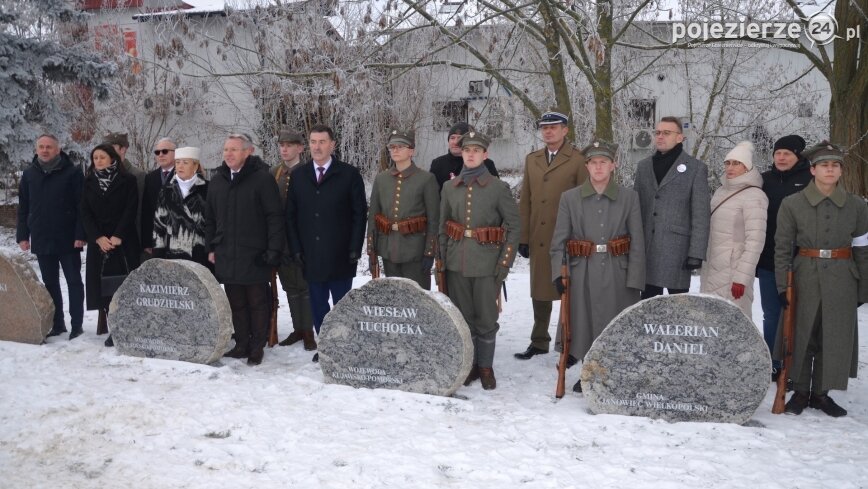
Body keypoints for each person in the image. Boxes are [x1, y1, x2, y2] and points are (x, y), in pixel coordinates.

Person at [776, 141, 868, 418]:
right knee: (802, 332)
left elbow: (862, 249)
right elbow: (782, 248)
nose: (830, 170)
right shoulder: (792, 203)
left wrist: (863, 287)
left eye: (835, 165)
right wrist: (782, 286)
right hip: (804, 274)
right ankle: (800, 391)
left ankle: (821, 394)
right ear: (813, 170)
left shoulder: (857, 206)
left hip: (843, 277)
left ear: (841, 171)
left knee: (834, 335)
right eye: (824, 165)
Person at [549, 140, 645, 393]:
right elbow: (559, 241)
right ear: (587, 166)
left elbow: (637, 241)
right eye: (593, 162)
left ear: (613, 165)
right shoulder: (570, 198)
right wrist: (557, 273)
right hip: (581, 270)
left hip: (617, 271)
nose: (599, 167)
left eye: (604, 162)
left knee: (614, 322)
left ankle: (613, 372)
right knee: (583, 322)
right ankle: (588, 372)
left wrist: (636, 278)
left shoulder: (629, 197)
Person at [438, 131, 520, 390]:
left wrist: (504, 263)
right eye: (466, 150)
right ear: (461, 153)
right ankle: (470, 365)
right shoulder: (449, 187)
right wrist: (442, 261)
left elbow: (514, 227)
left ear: (485, 154)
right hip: (457, 262)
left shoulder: (498, 188)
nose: (471, 154)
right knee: (463, 317)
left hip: (487, 264)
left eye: (476, 150)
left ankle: (485, 366)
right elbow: (443, 227)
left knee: (485, 319)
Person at [285, 125, 367, 362]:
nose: (317, 147)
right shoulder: (299, 176)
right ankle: (327, 348)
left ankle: (343, 347)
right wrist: (296, 249)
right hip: (311, 254)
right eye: (313, 142)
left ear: (332, 145)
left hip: (341, 254)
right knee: (318, 305)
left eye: (322, 142)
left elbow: (359, 214)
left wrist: (355, 247)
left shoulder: (349, 174)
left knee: (342, 305)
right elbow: (291, 215)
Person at [204, 134, 284, 366]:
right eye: (226, 149)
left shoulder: (262, 179)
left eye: (234, 149)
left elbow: (274, 217)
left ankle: (257, 346)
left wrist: (273, 250)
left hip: (255, 254)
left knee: (257, 302)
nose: (228, 154)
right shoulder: (217, 180)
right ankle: (241, 343)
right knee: (235, 302)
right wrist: (211, 247)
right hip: (227, 253)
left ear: (248, 152)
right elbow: (210, 219)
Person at [514, 110, 588, 361]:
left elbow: (584, 202)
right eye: (544, 127)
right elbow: (526, 200)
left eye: (553, 127)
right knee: (540, 290)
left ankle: (571, 342)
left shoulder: (578, 159)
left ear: (565, 130)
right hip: (539, 234)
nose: (548, 131)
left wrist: (581, 237)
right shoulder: (532, 159)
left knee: (569, 291)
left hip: (567, 237)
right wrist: (523, 236)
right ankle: (539, 340)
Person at [16, 134, 86, 340]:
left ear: (58, 149)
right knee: (50, 283)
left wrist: (80, 234)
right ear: (36, 149)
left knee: (74, 281)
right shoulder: (29, 174)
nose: (45, 150)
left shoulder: (72, 173)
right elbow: (24, 207)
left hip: (68, 237)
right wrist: (23, 235)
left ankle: (77, 325)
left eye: (49, 147)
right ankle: (58, 324)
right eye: (41, 147)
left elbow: (81, 206)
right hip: (42, 236)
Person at [633, 116, 710, 298]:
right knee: (648, 306)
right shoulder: (644, 167)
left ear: (679, 137)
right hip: (647, 250)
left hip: (677, 252)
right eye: (658, 132)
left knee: (679, 307)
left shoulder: (695, 168)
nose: (660, 136)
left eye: (666, 133)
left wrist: (696, 253)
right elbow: (636, 209)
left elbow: (701, 215)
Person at [757, 135, 811, 380]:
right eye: (777, 153)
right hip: (769, 259)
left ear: (798, 156)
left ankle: (795, 363)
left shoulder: (810, 179)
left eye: (787, 153)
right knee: (771, 314)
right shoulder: (764, 180)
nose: (781, 157)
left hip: (801, 260)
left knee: (798, 314)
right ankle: (773, 361)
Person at [79, 144, 141, 347]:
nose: (98, 161)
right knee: (103, 287)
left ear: (112, 158)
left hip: (123, 242)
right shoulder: (88, 181)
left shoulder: (127, 180)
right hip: (100, 244)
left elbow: (131, 209)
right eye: (95, 158)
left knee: (124, 285)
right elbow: (85, 212)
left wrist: (118, 235)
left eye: (102, 157)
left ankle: (128, 326)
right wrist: (98, 237)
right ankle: (113, 327)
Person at [699, 141, 767, 317]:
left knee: (734, 320)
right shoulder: (720, 192)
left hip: (734, 269)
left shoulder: (755, 196)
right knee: (710, 320)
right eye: (727, 163)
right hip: (712, 266)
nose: (730, 167)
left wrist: (742, 278)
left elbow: (755, 241)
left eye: (736, 163)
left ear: (747, 167)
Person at [367, 129, 440, 289]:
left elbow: (434, 219)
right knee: (394, 298)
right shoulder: (382, 179)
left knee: (418, 299)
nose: (395, 150)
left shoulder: (426, 179)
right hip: (389, 249)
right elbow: (374, 216)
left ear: (411, 151)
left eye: (400, 146)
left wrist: (429, 252)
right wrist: (371, 250)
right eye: (392, 147)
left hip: (415, 251)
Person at [271, 129, 316, 351]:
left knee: (305, 286)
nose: (285, 149)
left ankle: (308, 330)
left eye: (289, 145)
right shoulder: (274, 173)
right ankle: (298, 328)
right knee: (289, 286)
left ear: (300, 148)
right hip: (281, 240)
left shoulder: (309, 172)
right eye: (282, 145)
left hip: (303, 239)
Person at [151, 146, 212, 271]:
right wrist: (158, 257)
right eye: (178, 162)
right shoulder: (166, 190)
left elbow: (214, 223)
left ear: (195, 166)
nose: (180, 166)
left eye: (185, 162)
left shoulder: (208, 189)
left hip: (201, 255)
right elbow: (159, 226)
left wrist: (212, 250)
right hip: (174, 256)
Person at [430, 122, 499, 190]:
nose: (455, 142)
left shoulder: (486, 164)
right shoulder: (438, 164)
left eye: (459, 138)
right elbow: (432, 193)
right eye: (452, 138)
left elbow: (495, 191)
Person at [142, 137, 176, 255]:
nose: (161, 155)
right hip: (157, 238)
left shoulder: (183, 175)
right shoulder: (150, 177)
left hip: (178, 237)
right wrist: (147, 241)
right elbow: (146, 211)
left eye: (165, 151)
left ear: (175, 153)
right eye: (157, 152)